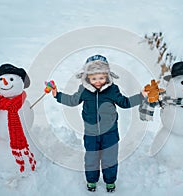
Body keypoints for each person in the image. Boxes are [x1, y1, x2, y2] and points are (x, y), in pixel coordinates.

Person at [52, 54, 147, 192]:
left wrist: (141, 97)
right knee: (91, 157)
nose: (98, 81)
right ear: (87, 77)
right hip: (91, 133)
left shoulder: (112, 90)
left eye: (101, 78)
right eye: (94, 78)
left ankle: (110, 181)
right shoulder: (84, 90)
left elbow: (125, 102)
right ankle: (91, 181)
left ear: (107, 76)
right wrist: (57, 95)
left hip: (110, 132)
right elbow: (73, 100)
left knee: (110, 157)